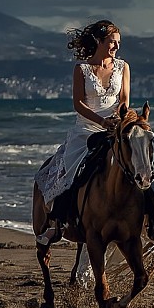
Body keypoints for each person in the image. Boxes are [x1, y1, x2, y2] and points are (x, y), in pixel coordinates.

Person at [34, 20, 130, 246]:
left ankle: (150, 218)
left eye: (118, 43)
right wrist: (101, 121)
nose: (116, 47)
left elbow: (124, 99)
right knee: (73, 172)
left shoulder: (122, 67)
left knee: (135, 161)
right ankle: (59, 221)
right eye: (111, 42)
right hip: (86, 129)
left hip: (115, 126)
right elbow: (78, 104)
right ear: (99, 41)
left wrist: (117, 117)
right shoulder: (82, 69)